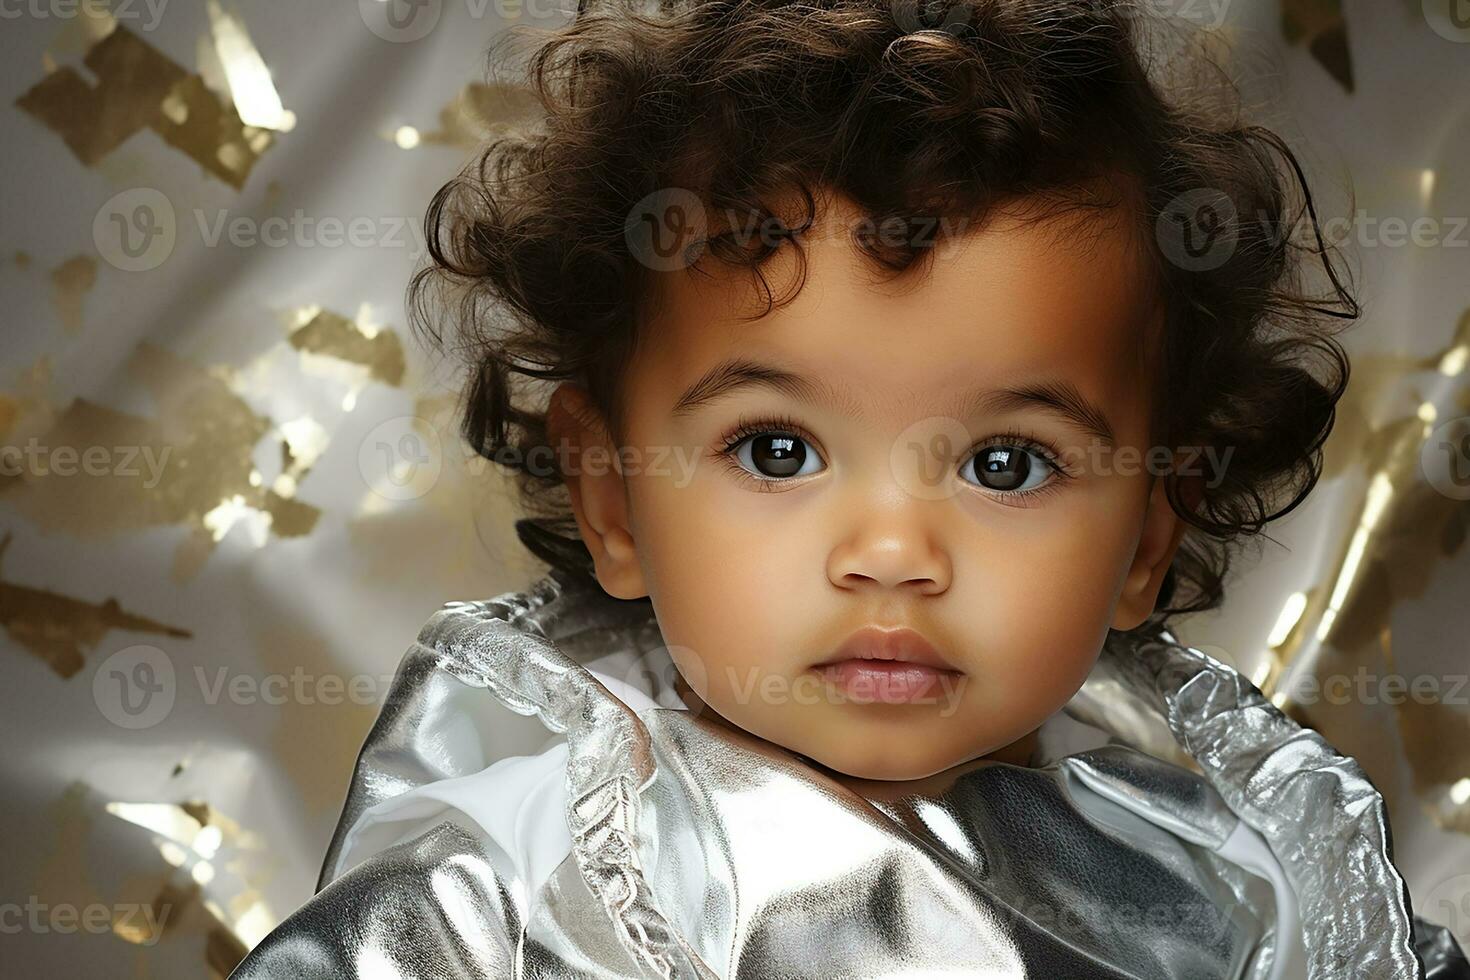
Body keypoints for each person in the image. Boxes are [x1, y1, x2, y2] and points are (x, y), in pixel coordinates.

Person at [230, 0, 1470, 976]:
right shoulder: (494, 892)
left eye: (1007, 463)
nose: (891, 550)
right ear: (611, 493)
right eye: (777, 449)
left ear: (1150, 530)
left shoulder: (1251, 873)